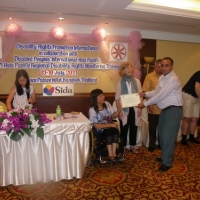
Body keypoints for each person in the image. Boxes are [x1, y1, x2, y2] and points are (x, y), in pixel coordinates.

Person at [138, 57, 183, 172]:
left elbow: (160, 95)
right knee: (163, 136)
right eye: (162, 65)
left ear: (171, 66)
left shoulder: (172, 79)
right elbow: (156, 92)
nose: (163, 68)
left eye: (166, 65)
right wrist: (145, 93)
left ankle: (167, 162)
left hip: (173, 110)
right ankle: (165, 156)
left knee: (168, 137)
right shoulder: (163, 78)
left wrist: (145, 103)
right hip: (165, 110)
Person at [115, 62, 142, 154]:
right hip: (124, 109)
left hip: (135, 108)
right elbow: (117, 98)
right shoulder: (120, 82)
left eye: (130, 67)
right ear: (123, 71)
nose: (129, 69)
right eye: (127, 68)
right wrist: (119, 111)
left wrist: (140, 108)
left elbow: (140, 95)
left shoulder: (137, 81)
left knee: (134, 128)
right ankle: (123, 147)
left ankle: (133, 146)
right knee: (124, 128)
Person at [89, 89, 122, 161]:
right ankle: (110, 154)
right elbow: (96, 126)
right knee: (109, 132)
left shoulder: (107, 104)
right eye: (100, 96)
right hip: (99, 130)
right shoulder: (92, 110)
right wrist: (111, 125)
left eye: (103, 95)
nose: (103, 97)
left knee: (115, 131)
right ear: (95, 98)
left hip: (109, 126)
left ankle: (114, 153)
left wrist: (119, 110)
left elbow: (113, 116)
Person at [142, 59, 162, 152]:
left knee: (163, 127)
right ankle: (152, 144)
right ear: (154, 67)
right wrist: (149, 104)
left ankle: (161, 144)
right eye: (158, 66)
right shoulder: (149, 76)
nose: (160, 68)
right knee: (152, 127)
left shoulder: (166, 77)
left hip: (164, 108)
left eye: (161, 66)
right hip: (153, 106)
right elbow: (146, 91)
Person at [181, 70, 200, 146]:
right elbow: (197, 86)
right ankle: (184, 138)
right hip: (188, 96)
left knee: (195, 118)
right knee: (187, 118)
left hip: (196, 98)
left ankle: (191, 137)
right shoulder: (199, 73)